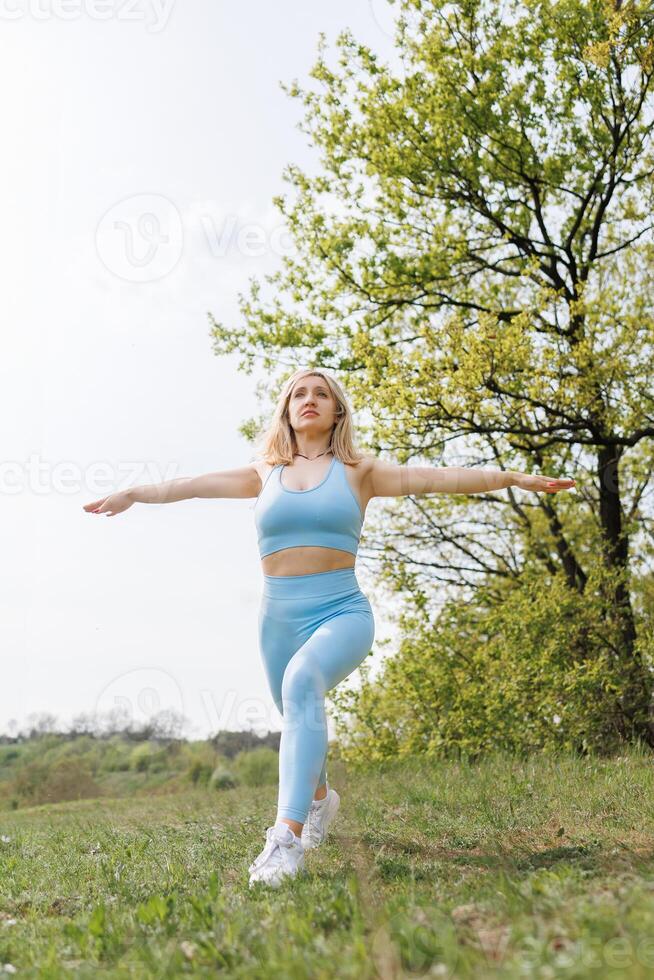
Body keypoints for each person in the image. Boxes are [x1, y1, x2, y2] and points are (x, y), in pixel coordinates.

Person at [83, 366, 576, 888]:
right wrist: (134, 493)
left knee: (302, 684)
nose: (310, 399)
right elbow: (190, 486)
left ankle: (284, 842)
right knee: (298, 712)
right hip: (276, 619)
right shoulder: (263, 471)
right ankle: (320, 801)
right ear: (287, 409)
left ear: (337, 410)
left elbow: (439, 478)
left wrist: (511, 478)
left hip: (341, 611)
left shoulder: (359, 470)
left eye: (321, 393)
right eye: (299, 393)